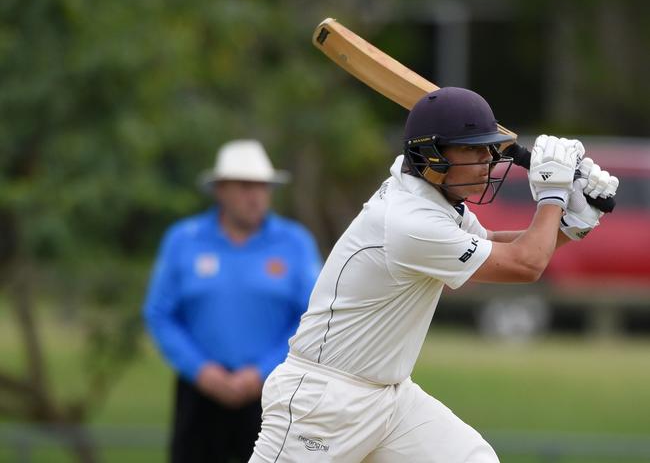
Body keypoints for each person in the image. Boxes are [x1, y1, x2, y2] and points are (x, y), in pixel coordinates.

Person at [248, 87, 619, 463]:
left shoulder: (433, 201)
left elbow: (500, 246)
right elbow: (526, 265)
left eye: (488, 148)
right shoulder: (408, 222)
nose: (487, 161)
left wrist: (571, 224)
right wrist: (553, 195)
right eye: (472, 149)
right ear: (431, 154)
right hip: (324, 399)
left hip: (390, 399)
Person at [143, 139, 322, 463]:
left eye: (262, 187)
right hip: (199, 391)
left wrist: (264, 370)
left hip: (273, 389)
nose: (255, 196)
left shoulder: (294, 243)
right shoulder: (184, 240)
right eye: (245, 186)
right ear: (220, 190)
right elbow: (160, 313)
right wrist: (201, 369)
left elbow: (313, 316)